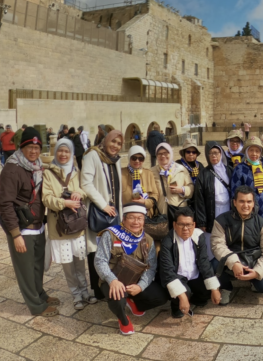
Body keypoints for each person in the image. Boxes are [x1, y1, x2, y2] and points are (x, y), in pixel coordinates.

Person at [0, 128, 58, 317]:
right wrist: (15, 234)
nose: (33, 151)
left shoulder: (38, 167)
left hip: (38, 225)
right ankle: (36, 305)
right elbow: (5, 204)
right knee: (25, 269)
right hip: (22, 229)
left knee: (37, 266)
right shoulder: (12, 169)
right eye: (30, 147)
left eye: (37, 147)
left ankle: (39, 293)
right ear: (22, 148)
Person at [95, 203, 167, 335]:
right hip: (113, 278)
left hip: (135, 279)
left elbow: (151, 268)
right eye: (132, 218)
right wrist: (112, 281)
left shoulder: (148, 240)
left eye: (140, 218)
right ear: (124, 219)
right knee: (117, 296)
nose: (136, 222)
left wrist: (140, 286)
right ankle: (123, 319)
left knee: (160, 297)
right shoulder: (110, 235)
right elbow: (100, 261)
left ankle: (132, 300)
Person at [42, 138, 94, 310]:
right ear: (55, 152)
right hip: (60, 227)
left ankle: (85, 291)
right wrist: (64, 203)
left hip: (77, 226)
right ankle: (76, 294)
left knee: (80, 261)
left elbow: (84, 188)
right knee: (68, 265)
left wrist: (78, 193)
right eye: (60, 151)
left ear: (72, 153)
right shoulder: (48, 173)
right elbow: (46, 198)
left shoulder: (76, 172)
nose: (63, 154)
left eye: (67, 151)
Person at [211, 185, 263, 303]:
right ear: (234, 202)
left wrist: (257, 272)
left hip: (253, 260)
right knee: (214, 265)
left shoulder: (261, 223)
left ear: (253, 203)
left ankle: (252, 280)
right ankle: (226, 288)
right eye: (241, 201)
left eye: (249, 201)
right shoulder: (221, 220)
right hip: (230, 259)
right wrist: (234, 262)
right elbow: (217, 245)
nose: (245, 205)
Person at [81, 128, 124, 300]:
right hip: (100, 212)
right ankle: (98, 290)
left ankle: (111, 285)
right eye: (113, 141)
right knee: (97, 250)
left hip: (115, 213)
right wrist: (104, 205)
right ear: (106, 140)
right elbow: (86, 183)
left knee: (113, 249)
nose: (115, 145)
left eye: (119, 143)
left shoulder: (116, 159)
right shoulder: (93, 155)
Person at [158, 207, 221, 318]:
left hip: (194, 275)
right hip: (178, 277)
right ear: (174, 225)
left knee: (206, 292)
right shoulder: (167, 241)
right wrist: (182, 297)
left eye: (189, 225)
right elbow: (167, 271)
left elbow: (203, 261)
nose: (186, 228)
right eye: (181, 224)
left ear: (194, 224)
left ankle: (191, 298)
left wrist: (214, 288)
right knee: (181, 294)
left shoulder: (198, 236)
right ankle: (178, 304)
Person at [231, 136, 263, 230]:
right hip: (250, 217)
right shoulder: (240, 169)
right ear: (246, 151)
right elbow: (235, 193)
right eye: (251, 150)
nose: (254, 154)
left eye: (257, 151)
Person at [195, 141, 233, 263]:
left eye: (216, 152)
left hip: (228, 208)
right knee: (212, 239)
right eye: (210, 153)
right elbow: (199, 199)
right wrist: (202, 221)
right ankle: (212, 265)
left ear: (221, 153)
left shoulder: (229, 171)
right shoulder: (204, 174)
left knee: (227, 237)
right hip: (212, 210)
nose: (214, 156)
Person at [153, 142, 193, 221]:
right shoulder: (152, 172)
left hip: (179, 211)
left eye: (166, 153)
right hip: (160, 213)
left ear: (170, 153)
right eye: (159, 154)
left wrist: (182, 190)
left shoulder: (181, 169)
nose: (163, 156)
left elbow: (191, 188)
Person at [121, 146, 161, 219]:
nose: (137, 161)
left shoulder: (149, 173)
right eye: (134, 158)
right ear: (129, 158)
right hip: (126, 215)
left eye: (140, 159)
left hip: (145, 214)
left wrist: (145, 202)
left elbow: (155, 195)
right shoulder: (121, 173)